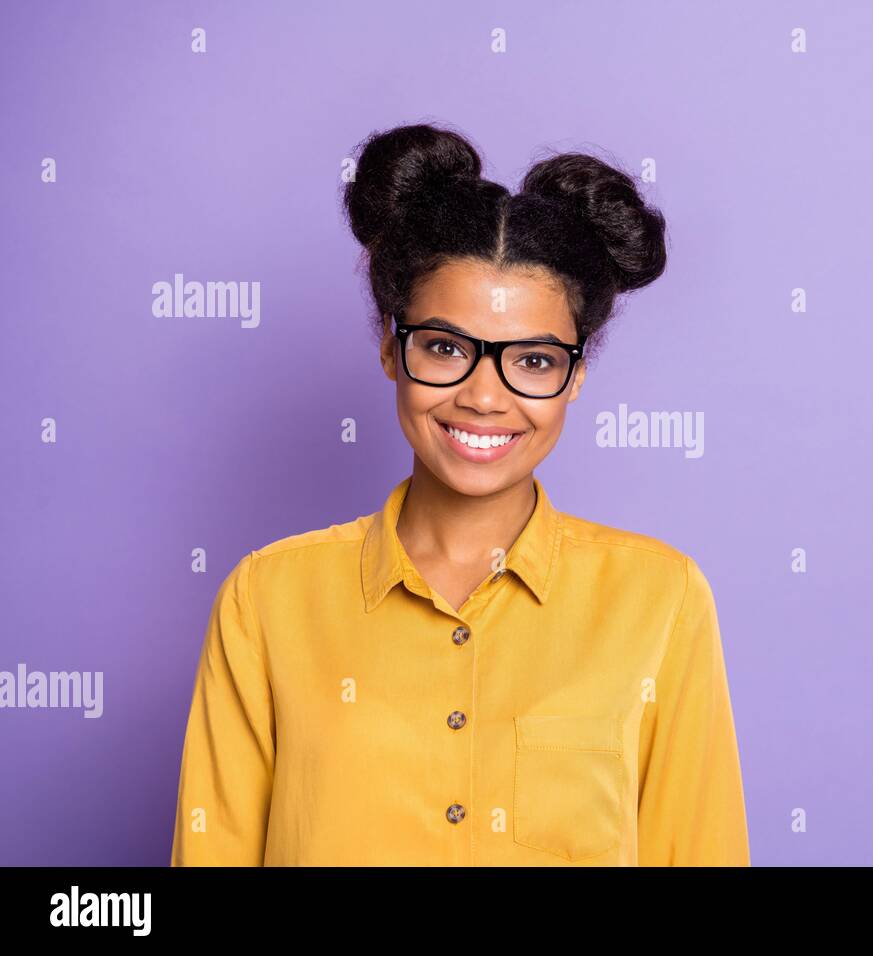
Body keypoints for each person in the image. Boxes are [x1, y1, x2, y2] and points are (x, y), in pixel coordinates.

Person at [169, 122, 750, 866]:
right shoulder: (266, 600)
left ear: (574, 375)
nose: (484, 397)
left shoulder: (661, 599)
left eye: (534, 361)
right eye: (445, 348)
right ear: (391, 345)